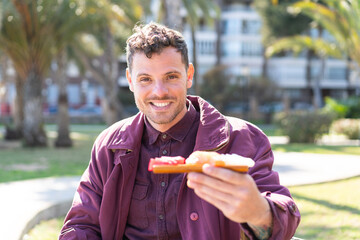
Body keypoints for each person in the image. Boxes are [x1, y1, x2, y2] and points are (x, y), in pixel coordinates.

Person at [59, 22, 300, 240]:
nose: (159, 91)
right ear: (130, 80)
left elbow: (285, 221)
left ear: (189, 76)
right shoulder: (109, 145)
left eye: (171, 76)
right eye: (145, 79)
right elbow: (81, 225)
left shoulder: (242, 138)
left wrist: (258, 212)